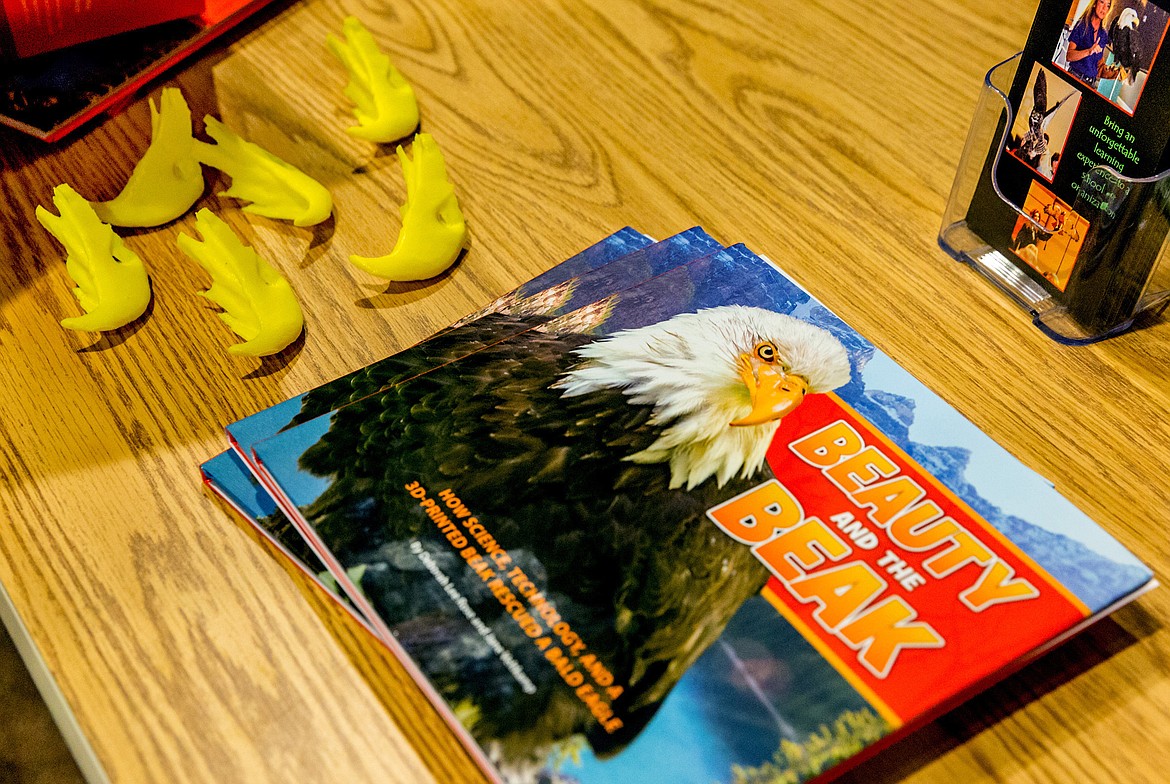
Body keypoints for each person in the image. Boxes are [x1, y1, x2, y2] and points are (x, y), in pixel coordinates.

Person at [1066, 0, 1113, 86]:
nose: (1104, 8)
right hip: (1075, 77)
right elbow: (1069, 56)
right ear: (1095, 3)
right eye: (1102, 2)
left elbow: (1098, 65)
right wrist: (1089, 51)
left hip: (1091, 83)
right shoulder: (1082, 25)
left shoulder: (1103, 34)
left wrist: (1114, 73)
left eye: (1108, 5)